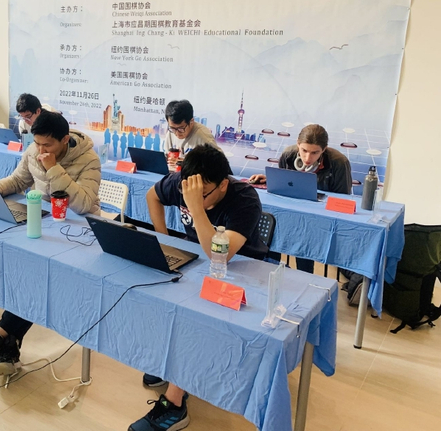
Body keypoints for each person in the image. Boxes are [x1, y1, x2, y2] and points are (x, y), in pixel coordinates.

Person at [130, 144, 266, 431]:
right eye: (187, 191)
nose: (191, 195)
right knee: (153, 292)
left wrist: (194, 206)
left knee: (195, 316)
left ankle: (175, 404)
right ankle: (171, 363)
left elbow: (220, 256)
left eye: (202, 193)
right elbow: (152, 196)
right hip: (197, 264)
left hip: (242, 276)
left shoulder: (245, 198)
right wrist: (164, 239)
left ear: (223, 185)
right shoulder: (186, 183)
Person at [0, 111, 101, 377]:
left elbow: (83, 204)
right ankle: (8, 345)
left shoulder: (88, 159)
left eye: (47, 145)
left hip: (79, 234)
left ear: (65, 140)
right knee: (29, 274)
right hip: (42, 224)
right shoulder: (34, 150)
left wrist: (54, 169)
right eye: (37, 143)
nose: (41, 150)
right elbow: (17, 180)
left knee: (36, 277)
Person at [249, 124, 352, 273]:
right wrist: (270, 180)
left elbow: (342, 200)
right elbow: (283, 187)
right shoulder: (288, 155)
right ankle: (270, 272)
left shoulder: (339, 163)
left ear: (324, 149)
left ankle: (305, 278)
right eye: (304, 150)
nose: (308, 158)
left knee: (304, 241)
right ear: (298, 144)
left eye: (315, 153)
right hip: (290, 215)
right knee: (274, 233)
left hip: (319, 219)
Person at [163, 100, 218, 167]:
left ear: (191, 122)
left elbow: (219, 165)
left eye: (181, 128)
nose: (177, 133)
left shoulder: (203, 137)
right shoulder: (171, 132)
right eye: (173, 128)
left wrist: (187, 164)